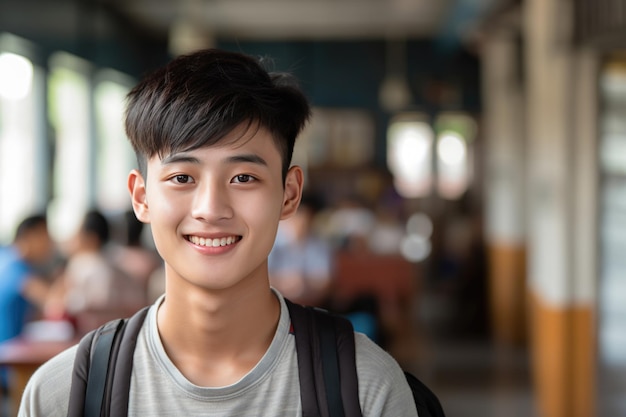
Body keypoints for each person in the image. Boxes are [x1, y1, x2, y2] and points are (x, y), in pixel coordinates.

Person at [18, 48, 418, 416]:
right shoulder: (63, 395)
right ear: (141, 198)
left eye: (243, 177)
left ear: (289, 195)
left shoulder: (366, 387)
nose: (210, 209)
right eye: (181, 177)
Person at [44, 209, 146, 335]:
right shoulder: (111, 262)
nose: (72, 238)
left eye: (77, 233)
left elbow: (60, 305)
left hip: (97, 335)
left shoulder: (90, 265)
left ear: (91, 237)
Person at [0, 214, 54, 392]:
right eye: (46, 236)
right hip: (10, 362)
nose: (51, 244)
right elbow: (53, 302)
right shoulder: (16, 267)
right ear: (30, 236)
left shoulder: (5, 257)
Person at [268, 191, 334, 307]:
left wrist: (303, 282)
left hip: (309, 306)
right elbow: (256, 278)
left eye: (307, 217)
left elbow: (325, 282)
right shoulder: (270, 241)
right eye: (297, 216)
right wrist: (283, 282)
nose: (302, 222)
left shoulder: (318, 245)